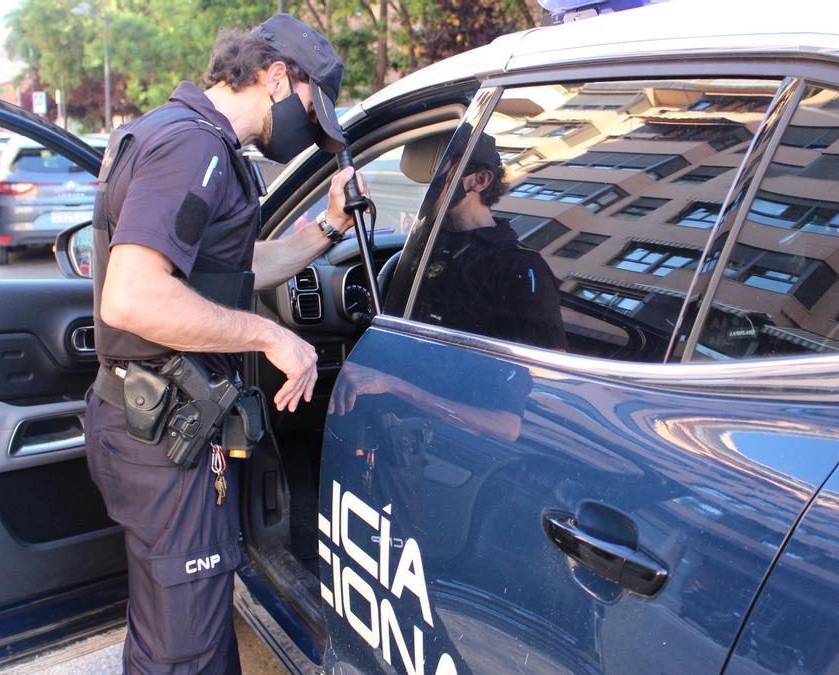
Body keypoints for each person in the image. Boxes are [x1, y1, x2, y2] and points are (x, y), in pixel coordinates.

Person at [83, 15, 361, 673]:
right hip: (164, 438)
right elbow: (134, 296)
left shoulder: (179, 136)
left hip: (153, 425)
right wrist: (272, 335)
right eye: (309, 112)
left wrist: (325, 227)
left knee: (174, 629)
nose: (308, 135)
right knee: (184, 653)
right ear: (273, 77)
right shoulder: (192, 149)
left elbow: (225, 271)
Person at [413, 131, 568, 350]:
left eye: (437, 172)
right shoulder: (426, 243)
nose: (426, 185)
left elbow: (546, 366)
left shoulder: (521, 267)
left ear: (480, 180)